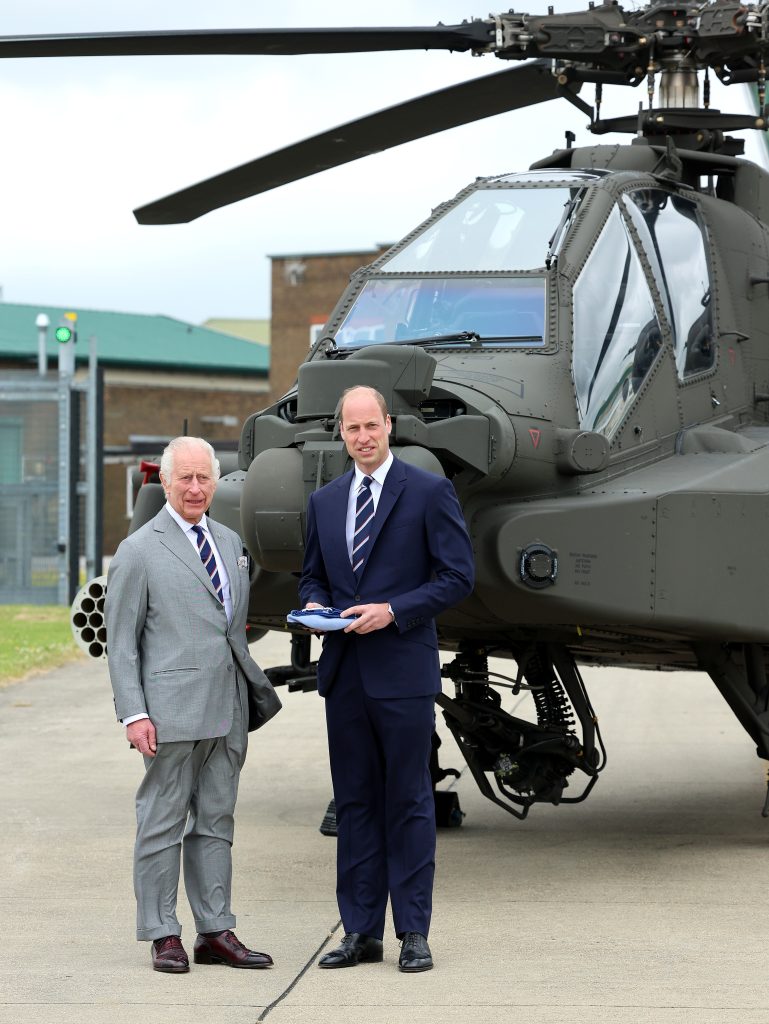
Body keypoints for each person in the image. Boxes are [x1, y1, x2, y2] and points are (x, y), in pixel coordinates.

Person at [299, 386, 474, 973]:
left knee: (408, 801)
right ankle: (360, 932)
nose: (363, 437)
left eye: (371, 426)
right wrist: (316, 607)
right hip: (344, 675)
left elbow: (457, 578)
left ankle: (414, 934)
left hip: (401, 673)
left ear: (389, 426)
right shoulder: (323, 502)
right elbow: (312, 580)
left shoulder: (428, 492)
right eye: (352, 429)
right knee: (354, 806)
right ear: (341, 433)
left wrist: (394, 610)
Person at [105, 435, 281, 974]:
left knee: (215, 822)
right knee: (161, 822)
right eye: (185, 478)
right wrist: (134, 713)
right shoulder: (139, 550)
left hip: (227, 712)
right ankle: (162, 933)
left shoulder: (230, 543)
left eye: (205, 477)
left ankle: (215, 930)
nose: (196, 488)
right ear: (165, 482)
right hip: (169, 714)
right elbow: (122, 641)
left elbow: (231, 628)